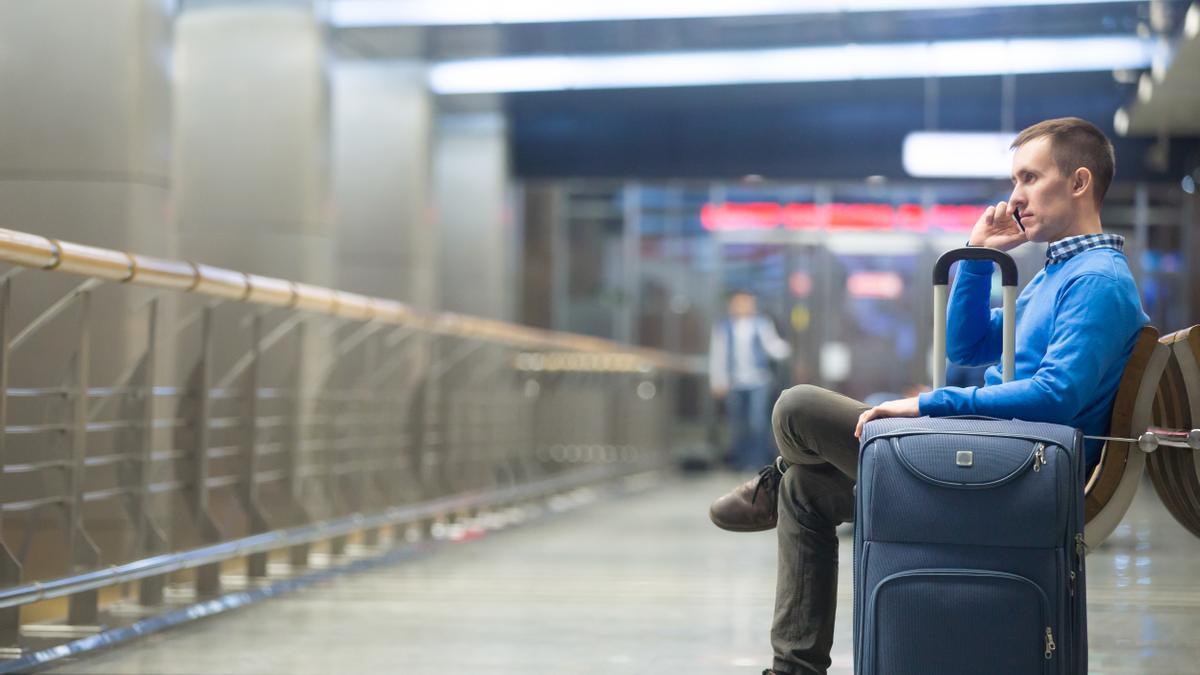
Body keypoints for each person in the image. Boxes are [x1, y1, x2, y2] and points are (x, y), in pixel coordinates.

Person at [707, 117, 1149, 675]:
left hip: (1020, 478)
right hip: (1000, 459)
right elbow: (968, 345)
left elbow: (1055, 397)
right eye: (1015, 181)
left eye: (1030, 178)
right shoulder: (1056, 275)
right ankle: (792, 667)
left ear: (1079, 182)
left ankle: (770, 478)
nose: (1015, 197)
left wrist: (927, 406)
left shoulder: (1098, 281)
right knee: (806, 490)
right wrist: (977, 252)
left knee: (797, 408)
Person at [709, 290, 793, 471]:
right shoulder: (724, 327)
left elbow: (773, 347)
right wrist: (718, 380)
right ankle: (740, 460)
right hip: (735, 382)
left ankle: (758, 460)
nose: (742, 306)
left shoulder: (761, 324)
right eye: (738, 302)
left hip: (758, 380)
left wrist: (789, 349)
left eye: (746, 302)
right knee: (738, 423)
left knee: (757, 422)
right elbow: (718, 356)